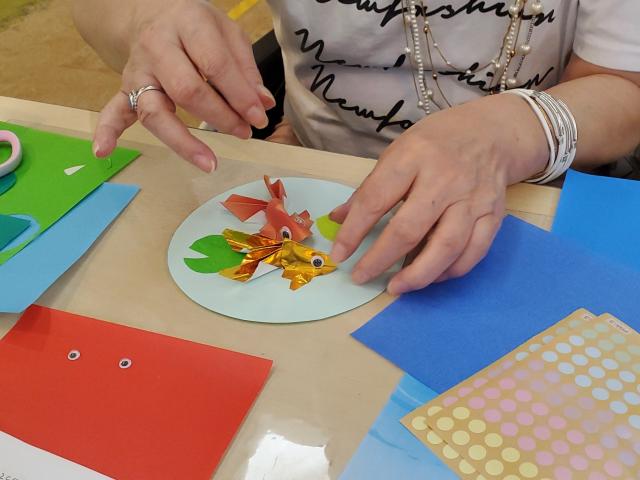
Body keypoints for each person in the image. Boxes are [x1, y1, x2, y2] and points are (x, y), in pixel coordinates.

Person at [74, 0, 640, 294]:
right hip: (317, 188)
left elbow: (625, 92)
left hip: (528, 204)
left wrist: (505, 133)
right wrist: (145, 20)